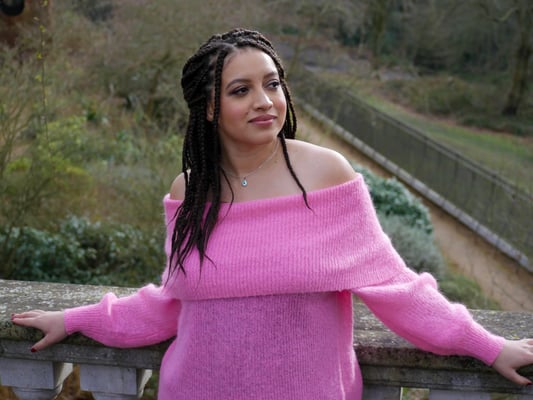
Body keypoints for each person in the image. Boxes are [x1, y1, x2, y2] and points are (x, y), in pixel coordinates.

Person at [11, 28, 533, 399]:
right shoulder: (188, 191)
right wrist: (74, 319)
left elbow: (395, 289)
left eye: (273, 83)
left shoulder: (326, 174)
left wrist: (487, 346)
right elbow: (173, 302)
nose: (265, 101)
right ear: (209, 108)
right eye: (241, 90)